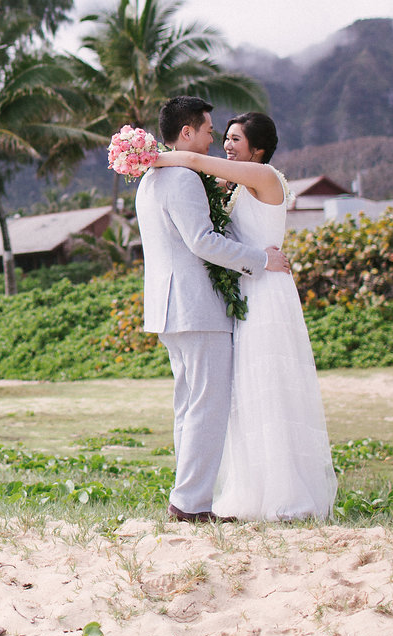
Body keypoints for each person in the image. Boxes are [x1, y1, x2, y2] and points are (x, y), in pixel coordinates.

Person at [152, 110, 338, 521]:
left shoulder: (266, 176)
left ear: (260, 150)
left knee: (270, 389)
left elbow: (196, 161)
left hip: (267, 288)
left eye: (236, 140)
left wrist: (148, 156)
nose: (228, 146)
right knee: (244, 396)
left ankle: (287, 495)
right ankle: (252, 491)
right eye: (226, 138)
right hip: (243, 291)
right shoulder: (234, 186)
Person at [132, 96, 292, 523]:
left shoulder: (151, 178)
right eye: (207, 130)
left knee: (189, 407)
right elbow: (202, 241)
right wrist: (261, 260)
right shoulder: (181, 178)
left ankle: (187, 499)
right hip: (196, 307)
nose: (213, 139)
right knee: (205, 407)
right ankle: (190, 505)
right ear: (186, 133)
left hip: (170, 308)